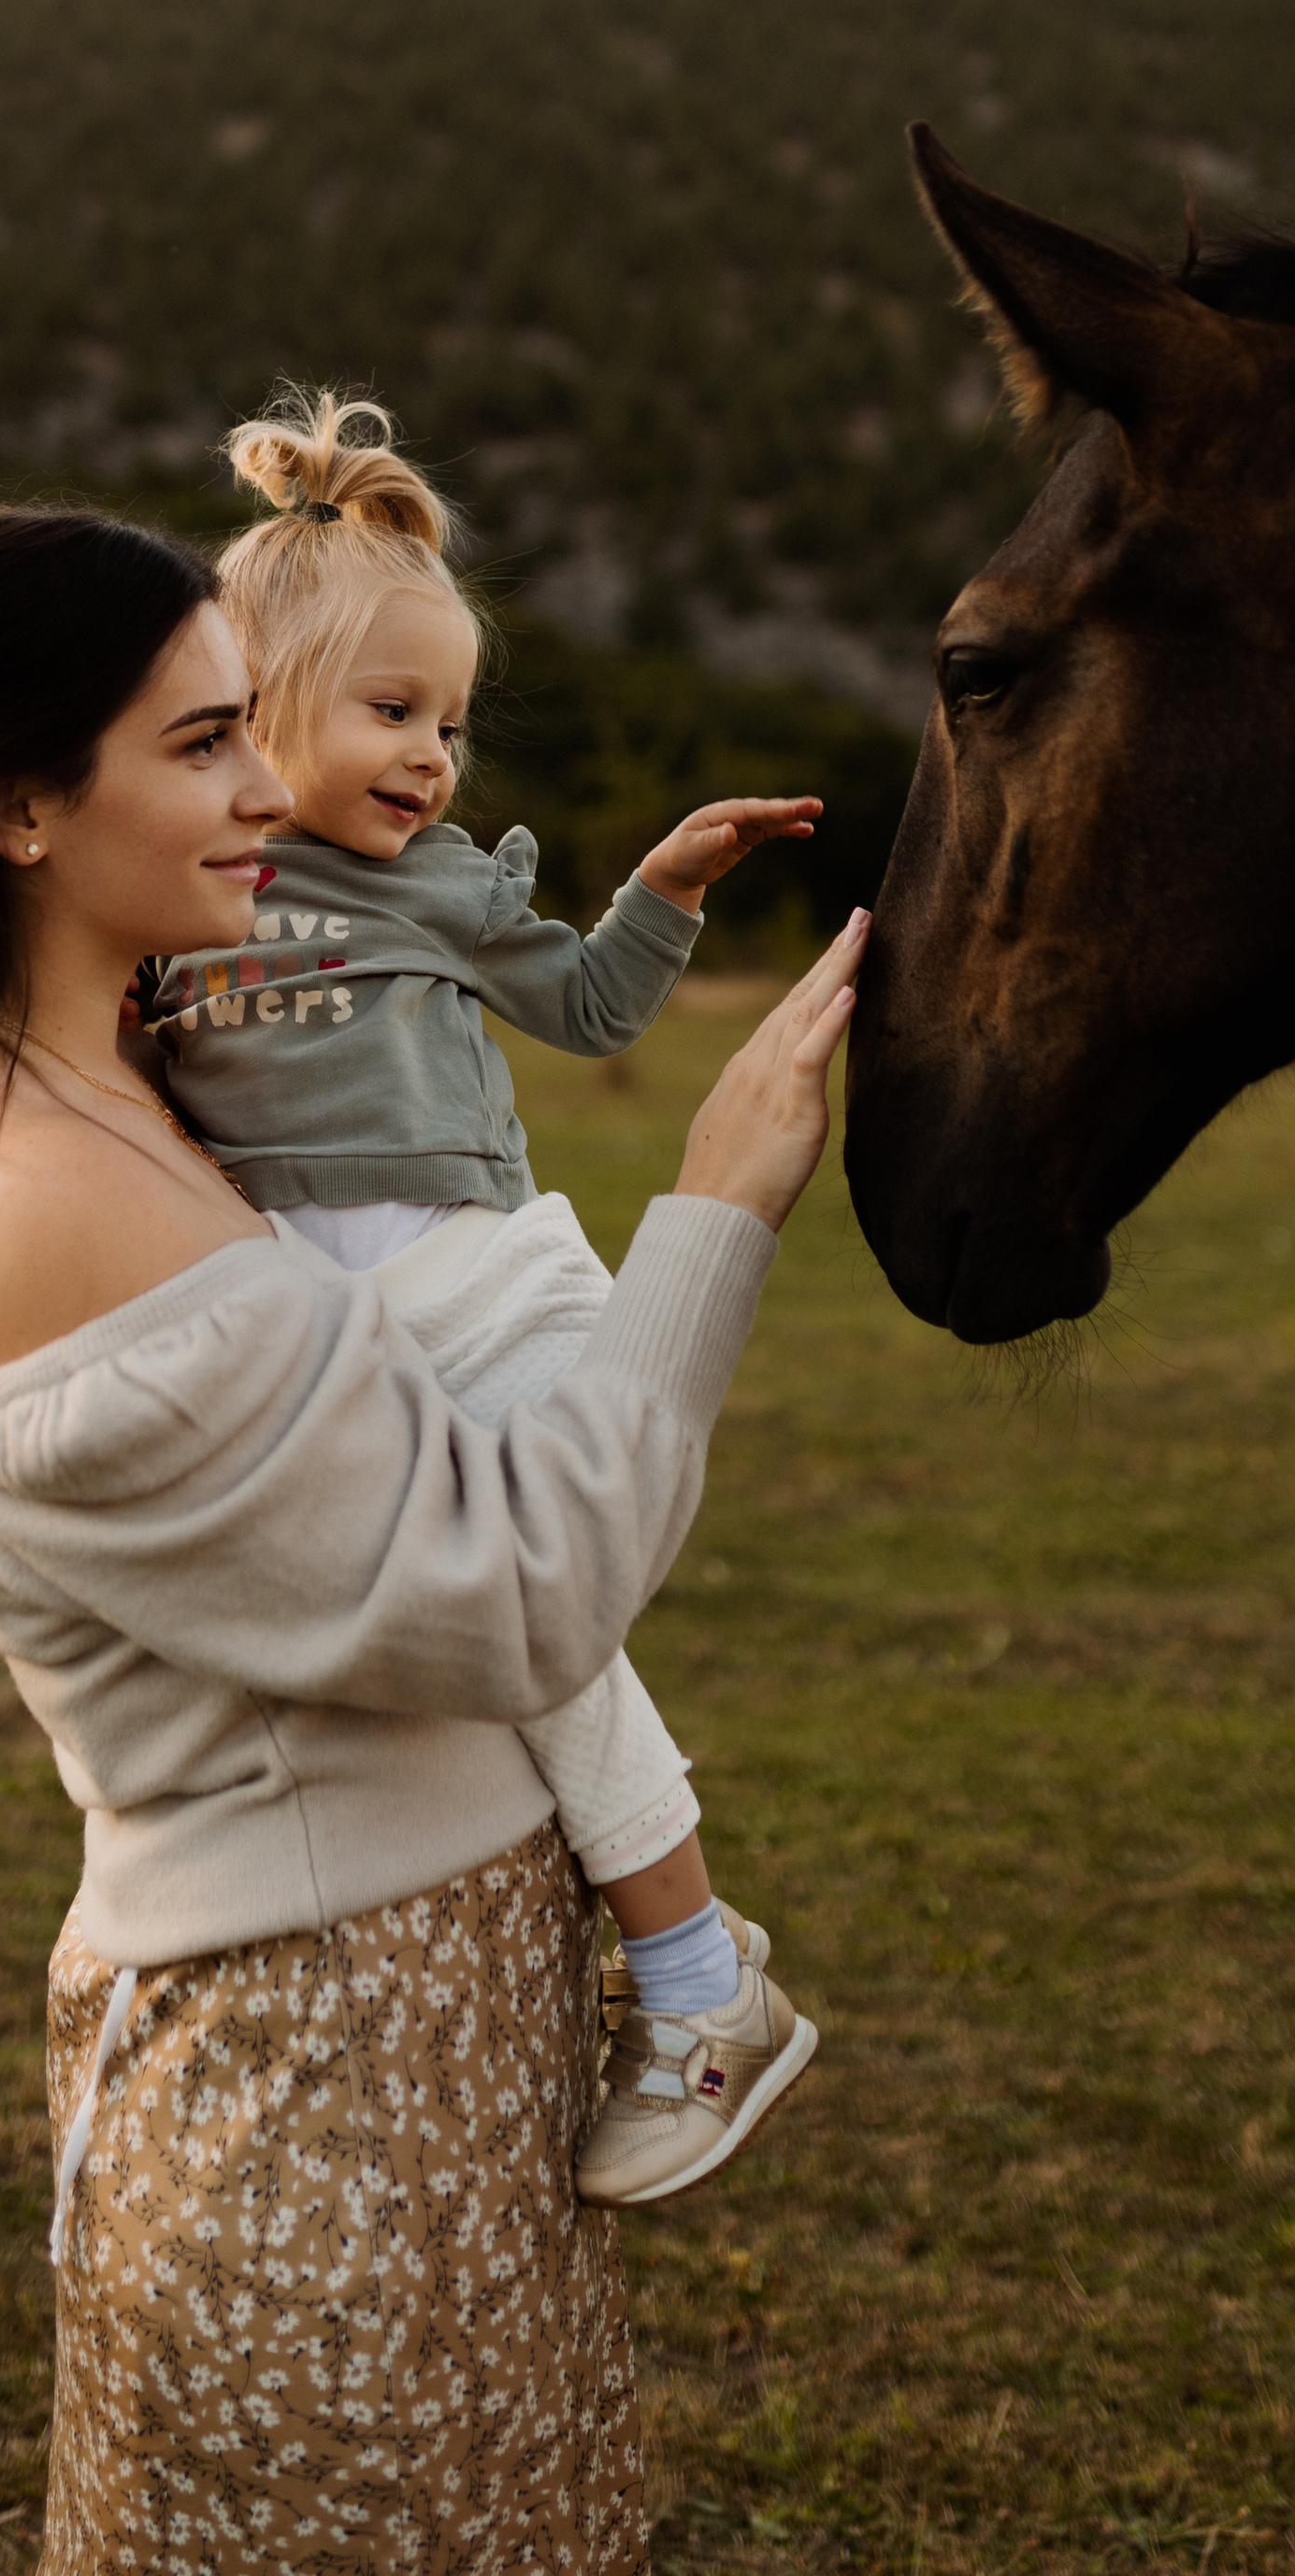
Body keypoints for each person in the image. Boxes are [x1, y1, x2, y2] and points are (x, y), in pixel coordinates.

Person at [0, 498, 868, 2572]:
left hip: (436, 2059)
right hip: (315, 2110)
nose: (270, 785)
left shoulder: (142, 1095)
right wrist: (716, 1201)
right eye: (200, 744)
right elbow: (526, 1590)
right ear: (15, 804)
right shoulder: (22, 1200)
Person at [153, 391, 826, 2208]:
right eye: (391, 713)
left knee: (537, 1619)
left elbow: (594, 1010)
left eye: (448, 721)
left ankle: (698, 1979)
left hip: (483, 1278)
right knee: (416, 1646)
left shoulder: (433, 879)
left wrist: (665, 890)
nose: (434, 757)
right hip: (308, 1327)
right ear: (245, 705)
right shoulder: (171, 881)